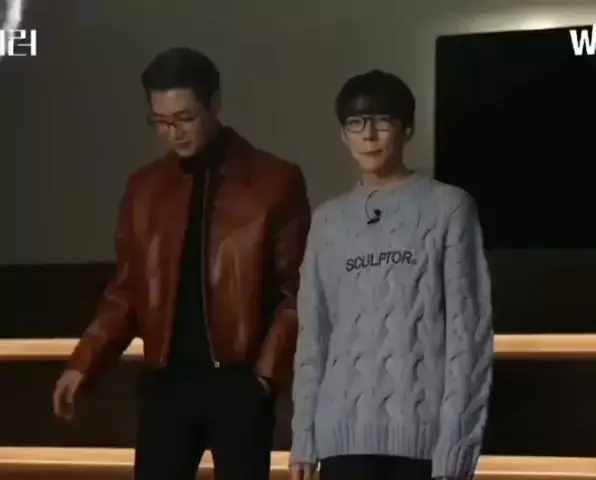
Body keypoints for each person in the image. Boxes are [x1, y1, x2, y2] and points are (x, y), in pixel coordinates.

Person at [52, 47, 311, 480]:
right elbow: (126, 291)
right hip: (166, 385)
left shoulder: (274, 181)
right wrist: (84, 362)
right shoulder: (144, 188)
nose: (173, 132)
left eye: (185, 118)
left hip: (240, 384)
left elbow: (295, 291)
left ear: (215, 104)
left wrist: (265, 377)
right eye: (160, 121)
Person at [290, 70, 493, 480]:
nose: (368, 135)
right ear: (343, 135)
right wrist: (304, 439)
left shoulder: (449, 208)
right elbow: (314, 336)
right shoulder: (327, 221)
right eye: (355, 123)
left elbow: (467, 335)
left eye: (382, 121)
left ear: (407, 129)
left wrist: (456, 447)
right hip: (341, 443)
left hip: (423, 445)